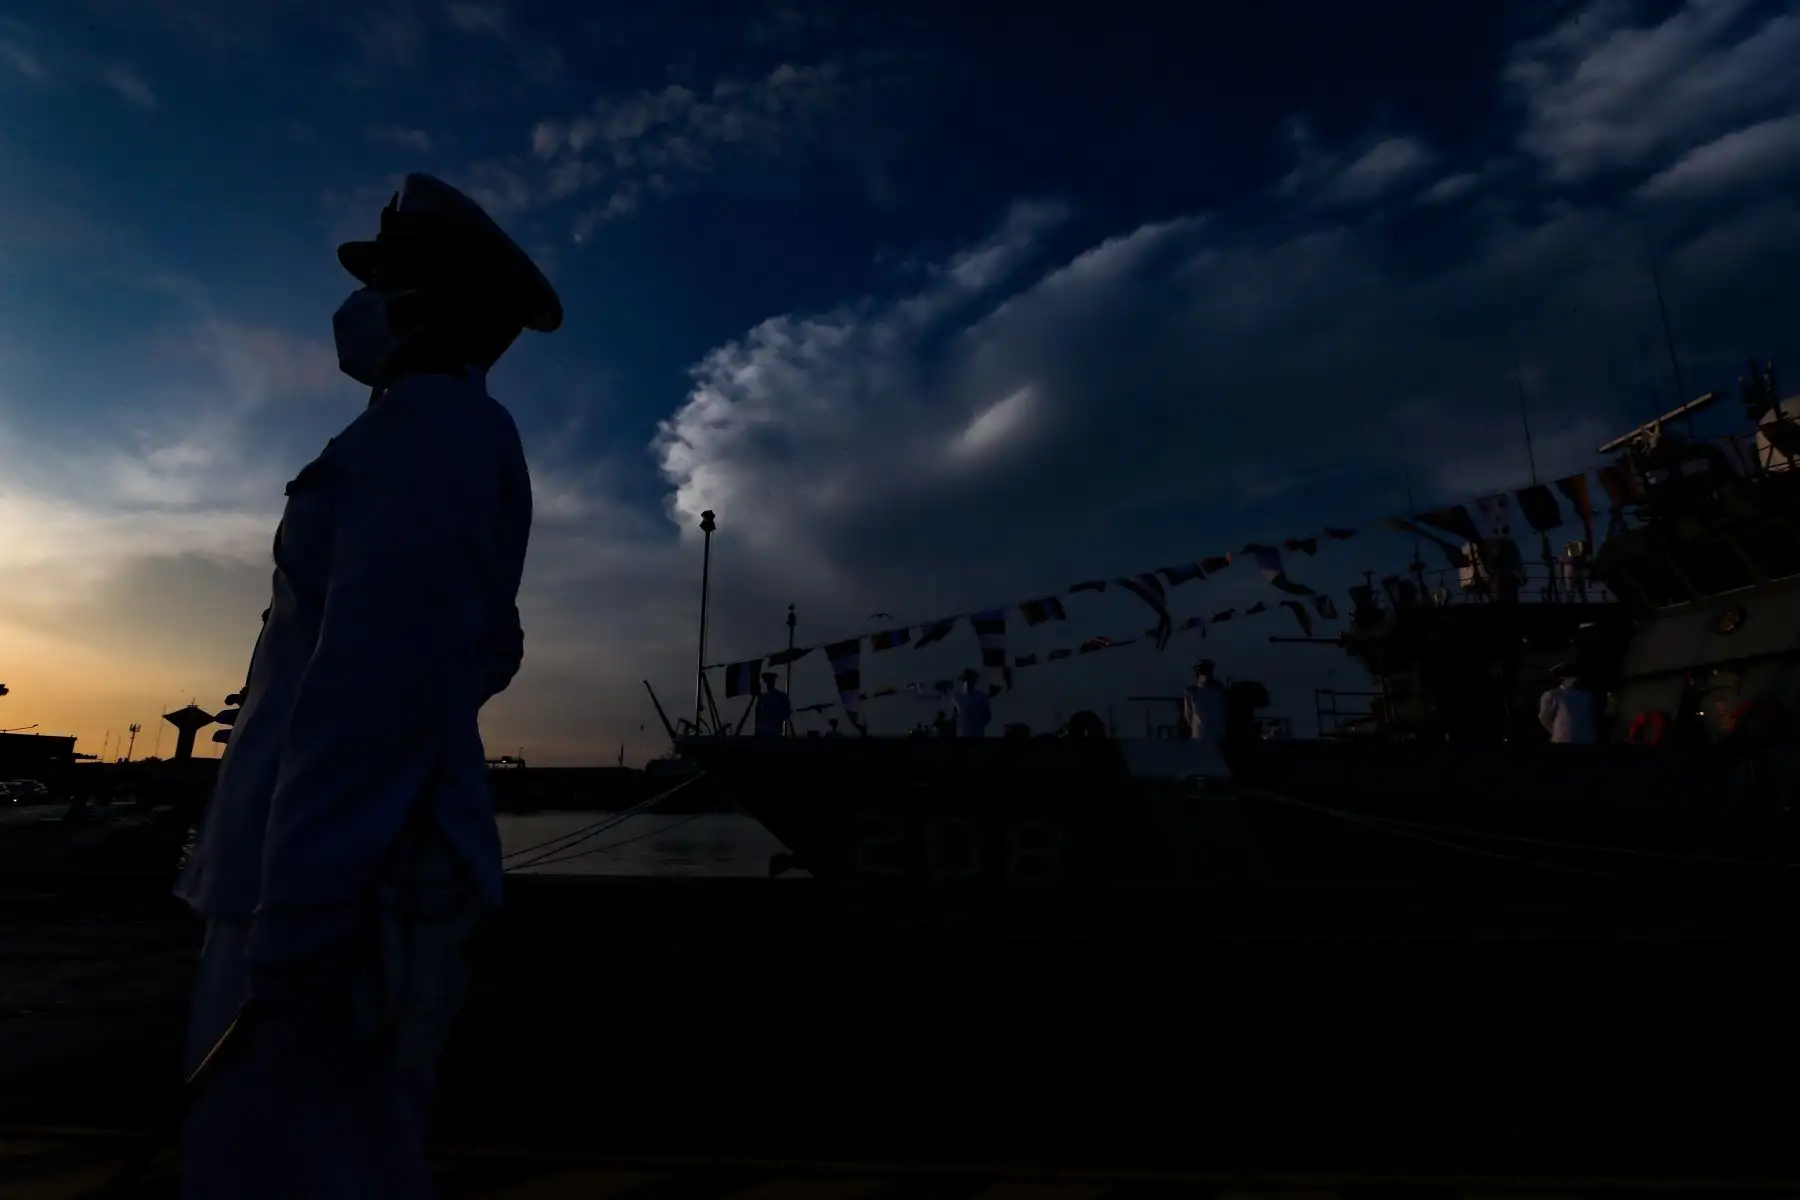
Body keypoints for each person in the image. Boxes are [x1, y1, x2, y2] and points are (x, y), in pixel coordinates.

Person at [174, 173, 559, 1200]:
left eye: (384, 279)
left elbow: (372, 684)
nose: (357, 304)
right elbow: (475, 652)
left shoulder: (429, 430)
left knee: (297, 1171)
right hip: (336, 871)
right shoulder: (431, 433)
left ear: (430, 301)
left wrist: (304, 906)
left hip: (346, 889)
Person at [1538, 663, 1598, 745]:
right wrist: (1556, 732)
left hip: (1586, 739)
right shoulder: (1553, 694)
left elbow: (1591, 716)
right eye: (1573, 676)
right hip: (1564, 740)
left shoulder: (1586, 695)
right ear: (1563, 678)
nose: (1576, 679)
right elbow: (1544, 717)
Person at [1183, 660, 1228, 746]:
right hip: (1200, 735)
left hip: (1216, 735)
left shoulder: (1218, 691)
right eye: (1202, 673)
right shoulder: (1192, 693)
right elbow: (1188, 715)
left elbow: (1223, 712)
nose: (1205, 676)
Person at [952, 669, 992, 738]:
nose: (967, 683)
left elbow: (987, 716)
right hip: (962, 734)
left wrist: (978, 725)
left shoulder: (981, 697)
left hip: (977, 734)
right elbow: (954, 716)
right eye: (965, 680)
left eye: (970, 680)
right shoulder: (956, 697)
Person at [753, 672, 792, 737]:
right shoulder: (763, 698)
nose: (768, 684)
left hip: (775, 731)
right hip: (763, 732)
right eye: (767, 682)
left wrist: (775, 714)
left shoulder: (781, 696)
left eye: (770, 681)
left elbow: (786, 713)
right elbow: (758, 716)